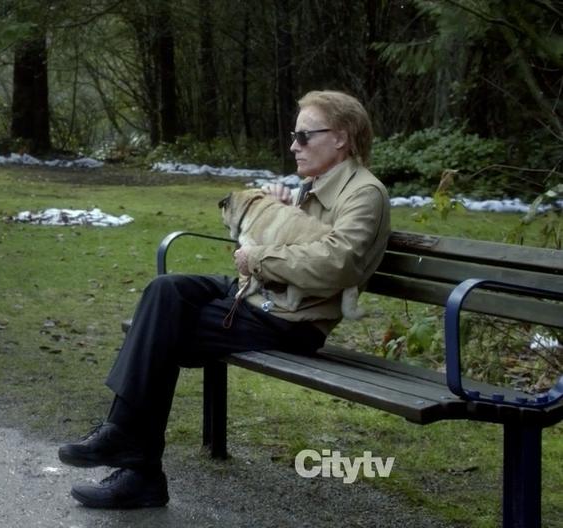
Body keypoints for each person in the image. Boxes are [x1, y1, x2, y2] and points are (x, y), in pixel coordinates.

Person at [57, 90, 391, 509]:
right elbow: (295, 236)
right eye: (294, 136)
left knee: (161, 329)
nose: (293, 146)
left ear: (341, 137)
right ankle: (129, 447)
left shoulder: (364, 194)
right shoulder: (314, 185)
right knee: (166, 291)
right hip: (256, 298)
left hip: (290, 321)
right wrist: (277, 207)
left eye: (304, 136)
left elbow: (339, 264)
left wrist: (258, 257)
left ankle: (134, 459)